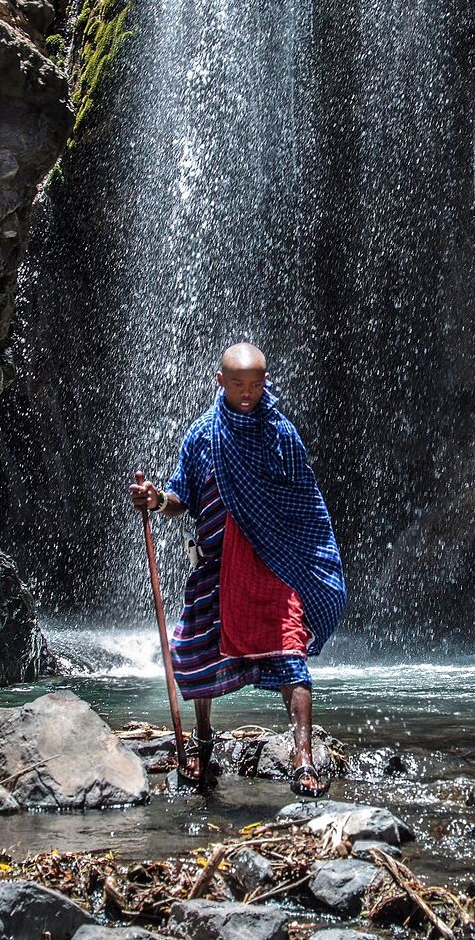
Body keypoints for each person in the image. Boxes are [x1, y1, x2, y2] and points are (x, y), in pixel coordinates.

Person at [129, 342, 347, 797]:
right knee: (195, 653)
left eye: (255, 384)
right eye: (237, 384)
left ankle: (302, 757)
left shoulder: (281, 434)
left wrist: (301, 555)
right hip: (215, 566)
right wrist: (155, 500)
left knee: (290, 652)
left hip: (272, 564)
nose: (247, 393)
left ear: (266, 382)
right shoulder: (202, 436)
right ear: (219, 382)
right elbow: (180, 498)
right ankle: (203, 742)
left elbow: (303, 505)